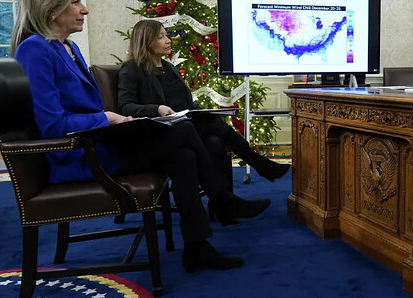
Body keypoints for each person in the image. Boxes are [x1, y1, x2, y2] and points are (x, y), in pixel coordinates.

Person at [10, 0, 259, 273]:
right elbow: (51, 126)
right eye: (75, 2)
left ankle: (198, 247)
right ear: (51, 7)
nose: (84, 9)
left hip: (98, 144)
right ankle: (222, 200)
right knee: (182, 130)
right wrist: (106, 117)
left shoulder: (69, 48)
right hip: (76, 155)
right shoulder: (34, 50)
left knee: (182, 155)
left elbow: (82, 108)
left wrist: (118, 121)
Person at [117, 18, 291, 202]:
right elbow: (126, 106)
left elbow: (188, 104)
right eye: (161, 37)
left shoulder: (168, 68)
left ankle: (226, 205)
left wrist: (205, 112)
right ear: (146, 41)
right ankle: (257, 166)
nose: (168, 40)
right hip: (162, 131)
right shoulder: (132, 69)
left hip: (184, 122)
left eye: (166, 35)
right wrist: (157, 109)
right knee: (212, 129)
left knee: (215, 140)